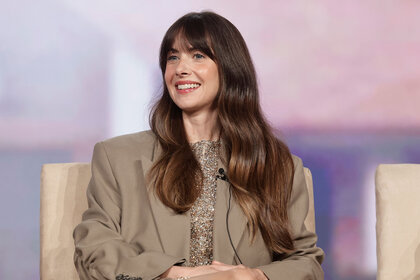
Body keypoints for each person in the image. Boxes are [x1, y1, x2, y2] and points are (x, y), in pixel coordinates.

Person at [73, 11, 324, 280]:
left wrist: (253, 276)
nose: (180, 68)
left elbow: (306, 262)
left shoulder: (277, 165)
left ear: (229, 67)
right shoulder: (117, 157)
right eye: (172, 57)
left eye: (198, 56)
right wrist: (170, 274)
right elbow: (94, 246)